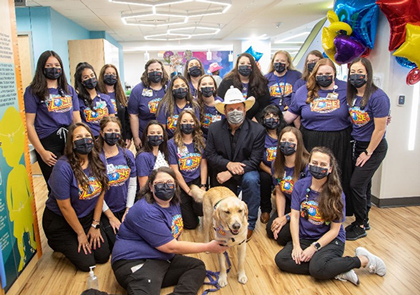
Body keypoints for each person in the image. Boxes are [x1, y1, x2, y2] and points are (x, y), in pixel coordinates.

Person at [275, 147, 386, 286]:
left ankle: (363, 260)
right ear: (309, 164)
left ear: (330, 169)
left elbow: (334, 230)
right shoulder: (299, 186)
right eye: (314, 163)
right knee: (281, 259)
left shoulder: (337, 194)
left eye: (323, 165)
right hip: (306, 237)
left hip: (331, 240)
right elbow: (295, 218)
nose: (318, 167)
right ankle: (336, 269)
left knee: (317, 269)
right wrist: (297, 246)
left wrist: (313, 248)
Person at [111, 167, 227, 295]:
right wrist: (209, 247)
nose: (165, 187)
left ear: (175, 186)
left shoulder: (173, 202)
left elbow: (175, 233)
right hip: (136, 262)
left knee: (197, 266)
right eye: (159, 184)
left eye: (169, 183)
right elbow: (171, 247)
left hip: (162, 258)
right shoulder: (145, 210)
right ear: (150, 186)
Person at [284, 58, 353, 215]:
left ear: (334, 73)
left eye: (328, 73)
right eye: (320, 73)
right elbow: (288, 117)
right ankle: (308, 211)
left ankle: (335, 216)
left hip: (339, 140)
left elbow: (361, 107)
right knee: (311, 176)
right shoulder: (303, 91)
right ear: (314, 74)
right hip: (311, 140)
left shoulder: (346, 89)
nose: (324, 76)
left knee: (336, 178)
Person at [42, 122, 110, 271]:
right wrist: (80, 233)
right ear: (71, 143)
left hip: (85, 218)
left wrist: (95, 225)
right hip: (60, 222)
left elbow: (101, 193)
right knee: (88, 264)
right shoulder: (63, 167)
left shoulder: (98, 160)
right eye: (79, 137)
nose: (84, 140)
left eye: (87, 136)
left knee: (103, 256)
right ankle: (56, 243)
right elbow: (64, 206)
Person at [206, 86, 265, 239]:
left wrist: (230, 171)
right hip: (221, 171)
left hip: (245, 171)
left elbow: (254, 161)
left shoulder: (257, 130)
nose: (235, 112)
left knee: (252, 180)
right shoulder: (214, 128)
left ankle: (249, 223)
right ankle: (222, 224)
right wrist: (227, 165)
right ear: (224, 111)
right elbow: (210, 155)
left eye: (239, 108)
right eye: (231, 109)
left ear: (245, 109)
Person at [345, 57, 390, 241]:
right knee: (365, 184)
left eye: (360, 73)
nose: (356, 76)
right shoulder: (352, 95)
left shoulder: (378, 97)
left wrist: (368, 152)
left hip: (373, 148)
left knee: (356, 184)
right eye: (353, 73)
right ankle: (366, 219)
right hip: (358, 145)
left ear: (368, 74)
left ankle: (361, 223)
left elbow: (380, 129)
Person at [24, 50, 81, 190]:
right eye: (49, 65)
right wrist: (42, 151)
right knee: (56, 187)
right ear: (42, 67)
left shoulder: (69, 90)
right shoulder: (33, 91)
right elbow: (29, 124)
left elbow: (77, 119)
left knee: (75, 182)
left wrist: (81, 139)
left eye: (56, 65)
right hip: (48, 143)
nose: (54, 68)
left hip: (69, 140)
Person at [97, 117, 137, 250]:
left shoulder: (127, 155)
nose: (113, 133)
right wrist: (111, 216)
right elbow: (96, 192)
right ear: (102, 133)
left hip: (125, 207)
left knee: (133, 240)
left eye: (116, 130)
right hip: (105, 210)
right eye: (109, 130)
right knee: (115, 245)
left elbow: (132, 184)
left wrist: (129, 209)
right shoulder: (96, 158)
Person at [266, 126, 309, 246]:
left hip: (306, 207)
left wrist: (286, 218)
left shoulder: (307, 165)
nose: (286, 144)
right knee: (271, 230)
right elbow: (279, 192)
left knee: (282, 237)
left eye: (291, 141)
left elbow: (310, 199)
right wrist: (280, 217)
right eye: (283, 140)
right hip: (290, 204)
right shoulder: (276, 164)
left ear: (298, 143)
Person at [168, 110, 206, 229]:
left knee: (201, 210)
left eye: (191, 121)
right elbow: (174, 170)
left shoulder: (201, 141)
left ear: (195, 123)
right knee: (191, 225)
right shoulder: (172, 143)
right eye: (184, 121)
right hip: (181, 183)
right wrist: (188, 191)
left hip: (197, 181)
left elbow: (203, 164)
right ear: (179, 123)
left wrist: (203, 186)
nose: (188, 124)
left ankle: (194, 209)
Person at [127, 59, 169, 150]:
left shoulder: (170, 87)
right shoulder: (138, 90)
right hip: (145, 136)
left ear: (162, 71)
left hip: (167, 136)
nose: (155, 72)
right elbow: (133, 115)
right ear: (146, 72)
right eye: (151, 70)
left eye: (158, 69)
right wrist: (136, 137)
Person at [218, 52, 270, 120]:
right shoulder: (227, 81)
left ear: (253, 66)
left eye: (248, 64)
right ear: (237, 65)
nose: (245, 65)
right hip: (231, 119)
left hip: (254, 122)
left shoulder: (261, 83)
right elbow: (221, 101)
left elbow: (265, 105)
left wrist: (257, 118)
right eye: (242, 63)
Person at [258, 105, 286, 224]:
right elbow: (258, 160)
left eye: (274, 115)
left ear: (279, 118)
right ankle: (265, 210)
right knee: (264, 179)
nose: (271, 118)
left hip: (286, 170)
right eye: (267, 116)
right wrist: (272, 173)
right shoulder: (260, 136)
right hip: (267, 169)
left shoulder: (285, 134)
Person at [75, 62, 115, 137]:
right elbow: (78, 123)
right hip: (89, 138)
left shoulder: (106, 98)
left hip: (105, 137)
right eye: (86, 77)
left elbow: (112, 120)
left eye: (92, 75)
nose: (90, 78)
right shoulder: (77, 100)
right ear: (81, 82)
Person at [98, 64, 132, 148]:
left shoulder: (121, 95)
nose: (111, 76)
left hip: (119, 135)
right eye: (108, 73)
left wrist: (128, 136)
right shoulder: (97, 94)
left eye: (113, 74)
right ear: (103, 76)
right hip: (103, 135)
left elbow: (126, 118)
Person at [156, 74, 200, 139]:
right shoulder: (164, 106)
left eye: (183, 85)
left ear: (187, 87)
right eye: (176, 86)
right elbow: (161, 130)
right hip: (170, 141)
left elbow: (196, 128)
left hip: (190, 141)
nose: (180, 88)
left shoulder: (194, 105)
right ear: (171, 89)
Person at [136, 120, 169, 191]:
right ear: (147, 136)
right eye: (152, 133)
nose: (156, 135)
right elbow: (143, 186)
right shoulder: (143, 156)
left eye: (159, 133)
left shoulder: (163, 153)